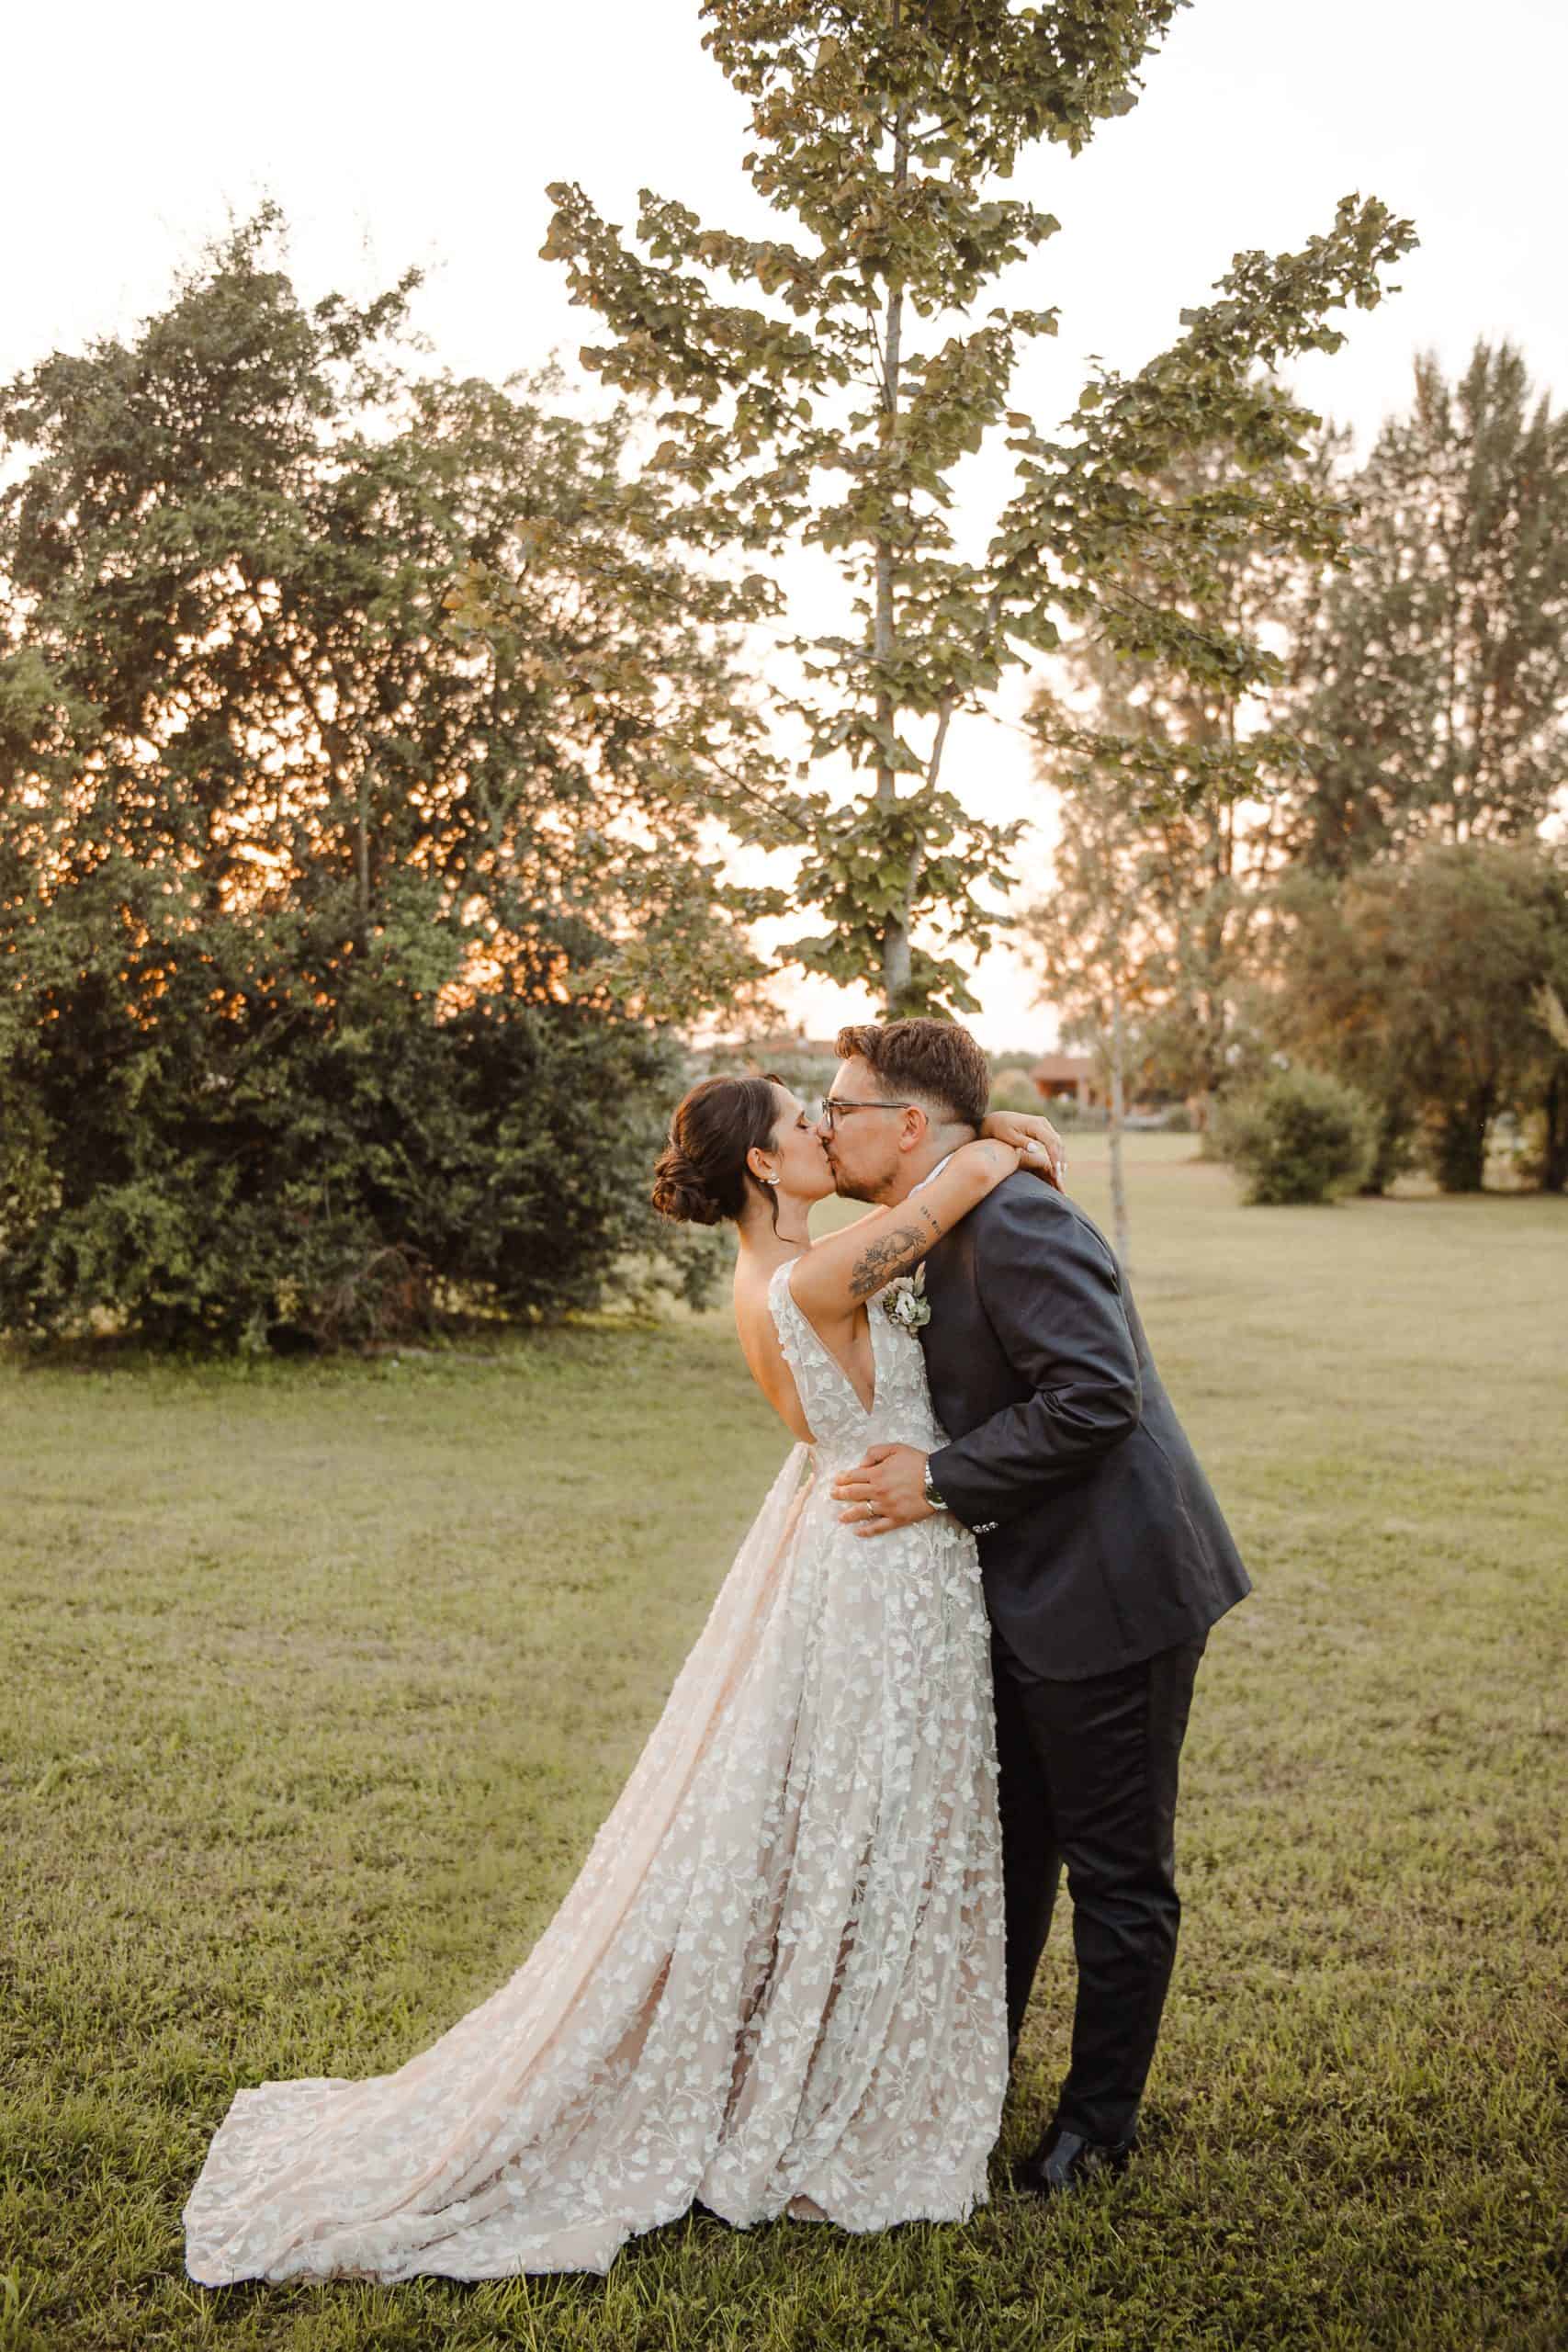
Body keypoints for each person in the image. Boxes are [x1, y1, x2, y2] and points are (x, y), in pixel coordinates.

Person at [182, 1071, 1066, 2285]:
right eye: (800, 1125)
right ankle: (845, 2095)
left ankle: (829, 2054)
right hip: (882, 1576)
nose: (821, 1130)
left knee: (849, 1824)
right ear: (762, 1165)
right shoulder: (814, 1272)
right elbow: (959, 1181)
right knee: (881, 1822)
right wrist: (1006, 1136)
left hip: (842, 1552)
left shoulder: (771, 1274)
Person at [823, 1019, 1251, 2198]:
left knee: (1117, 1873)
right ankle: (972, 2077)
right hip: (1019, 1590)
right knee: (1008, 1857)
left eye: (842, 1104)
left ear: (910, 1125)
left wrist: (940, 1480)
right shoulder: (951, 1207)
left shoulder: (1022, 1221)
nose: (824, 1121)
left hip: (1113, 1587)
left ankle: (1096, 2132)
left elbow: (1097, 1396)